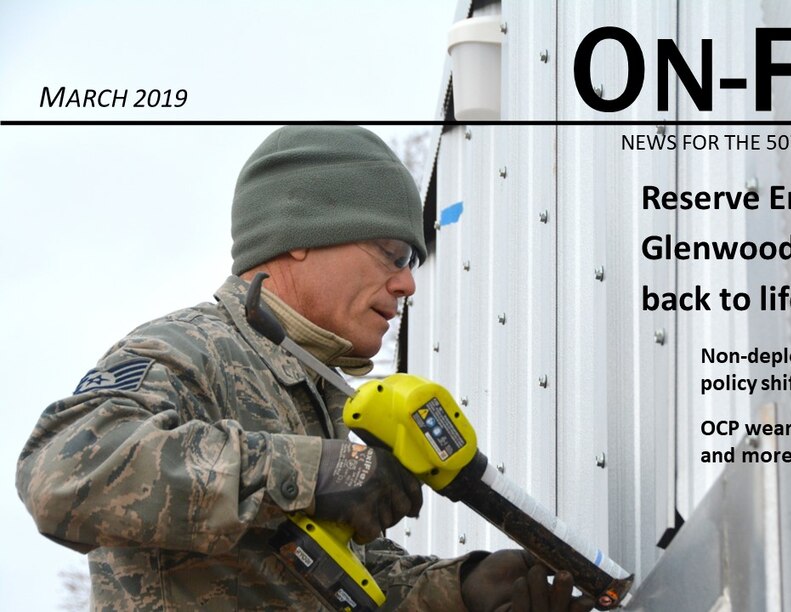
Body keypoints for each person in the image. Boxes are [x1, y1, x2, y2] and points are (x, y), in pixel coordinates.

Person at [16, 125, 595, 611]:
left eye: (413, 262)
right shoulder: (189, 348)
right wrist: (319, 474)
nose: (408, 283)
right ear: (302, 235)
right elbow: (63, 471)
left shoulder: (324, 396)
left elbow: (339, 581)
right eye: (393, 256)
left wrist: (460, 592)